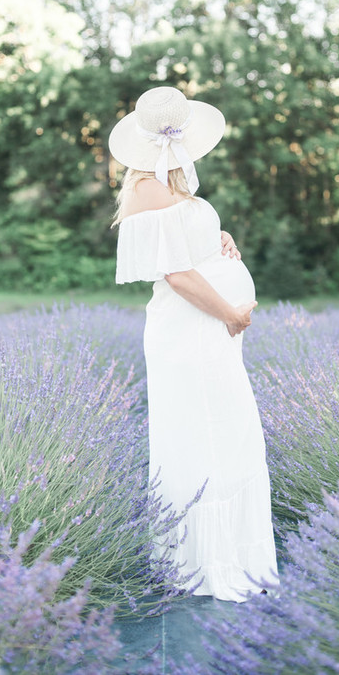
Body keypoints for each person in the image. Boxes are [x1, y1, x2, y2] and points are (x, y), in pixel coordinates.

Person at [108, 85, 280, 603]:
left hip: (213, 332)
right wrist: (229, 311)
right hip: (191, 329)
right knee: (200, 431)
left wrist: (221, 240)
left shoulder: (176, 182)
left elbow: (192, 244)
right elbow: (177, 274)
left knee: (228, 429)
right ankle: (202, 559)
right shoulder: (143, 188)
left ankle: (234, 548)